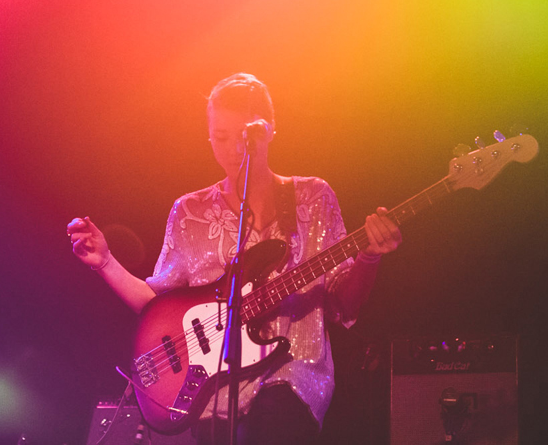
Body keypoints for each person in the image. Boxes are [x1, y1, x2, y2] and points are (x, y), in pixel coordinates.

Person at [67, 73, 401, 444]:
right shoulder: (189, 212)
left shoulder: (313, 197)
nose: (232, 149)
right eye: (220, 136)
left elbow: (345, 303)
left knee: (273, 421)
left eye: (244, 136)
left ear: (269, 131)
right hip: (214, 391)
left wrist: (369, 257)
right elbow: (157, 308)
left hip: (290, 379)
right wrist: (105, 262)